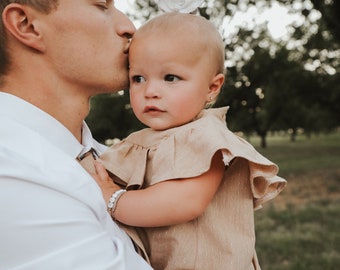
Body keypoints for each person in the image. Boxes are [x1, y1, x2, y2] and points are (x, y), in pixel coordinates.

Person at [91, 12, 287, 270]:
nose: (150, 92)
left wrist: (113, 199)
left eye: (170, 78)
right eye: (138, 78)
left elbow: (184, 202)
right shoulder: (141, 142)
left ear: (212, 88)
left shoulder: (206, 136)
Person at [0, 1, 152, 269]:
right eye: (101, 5)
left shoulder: (108, 159)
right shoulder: (10, 172)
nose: (129, 27)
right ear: (27, 25)